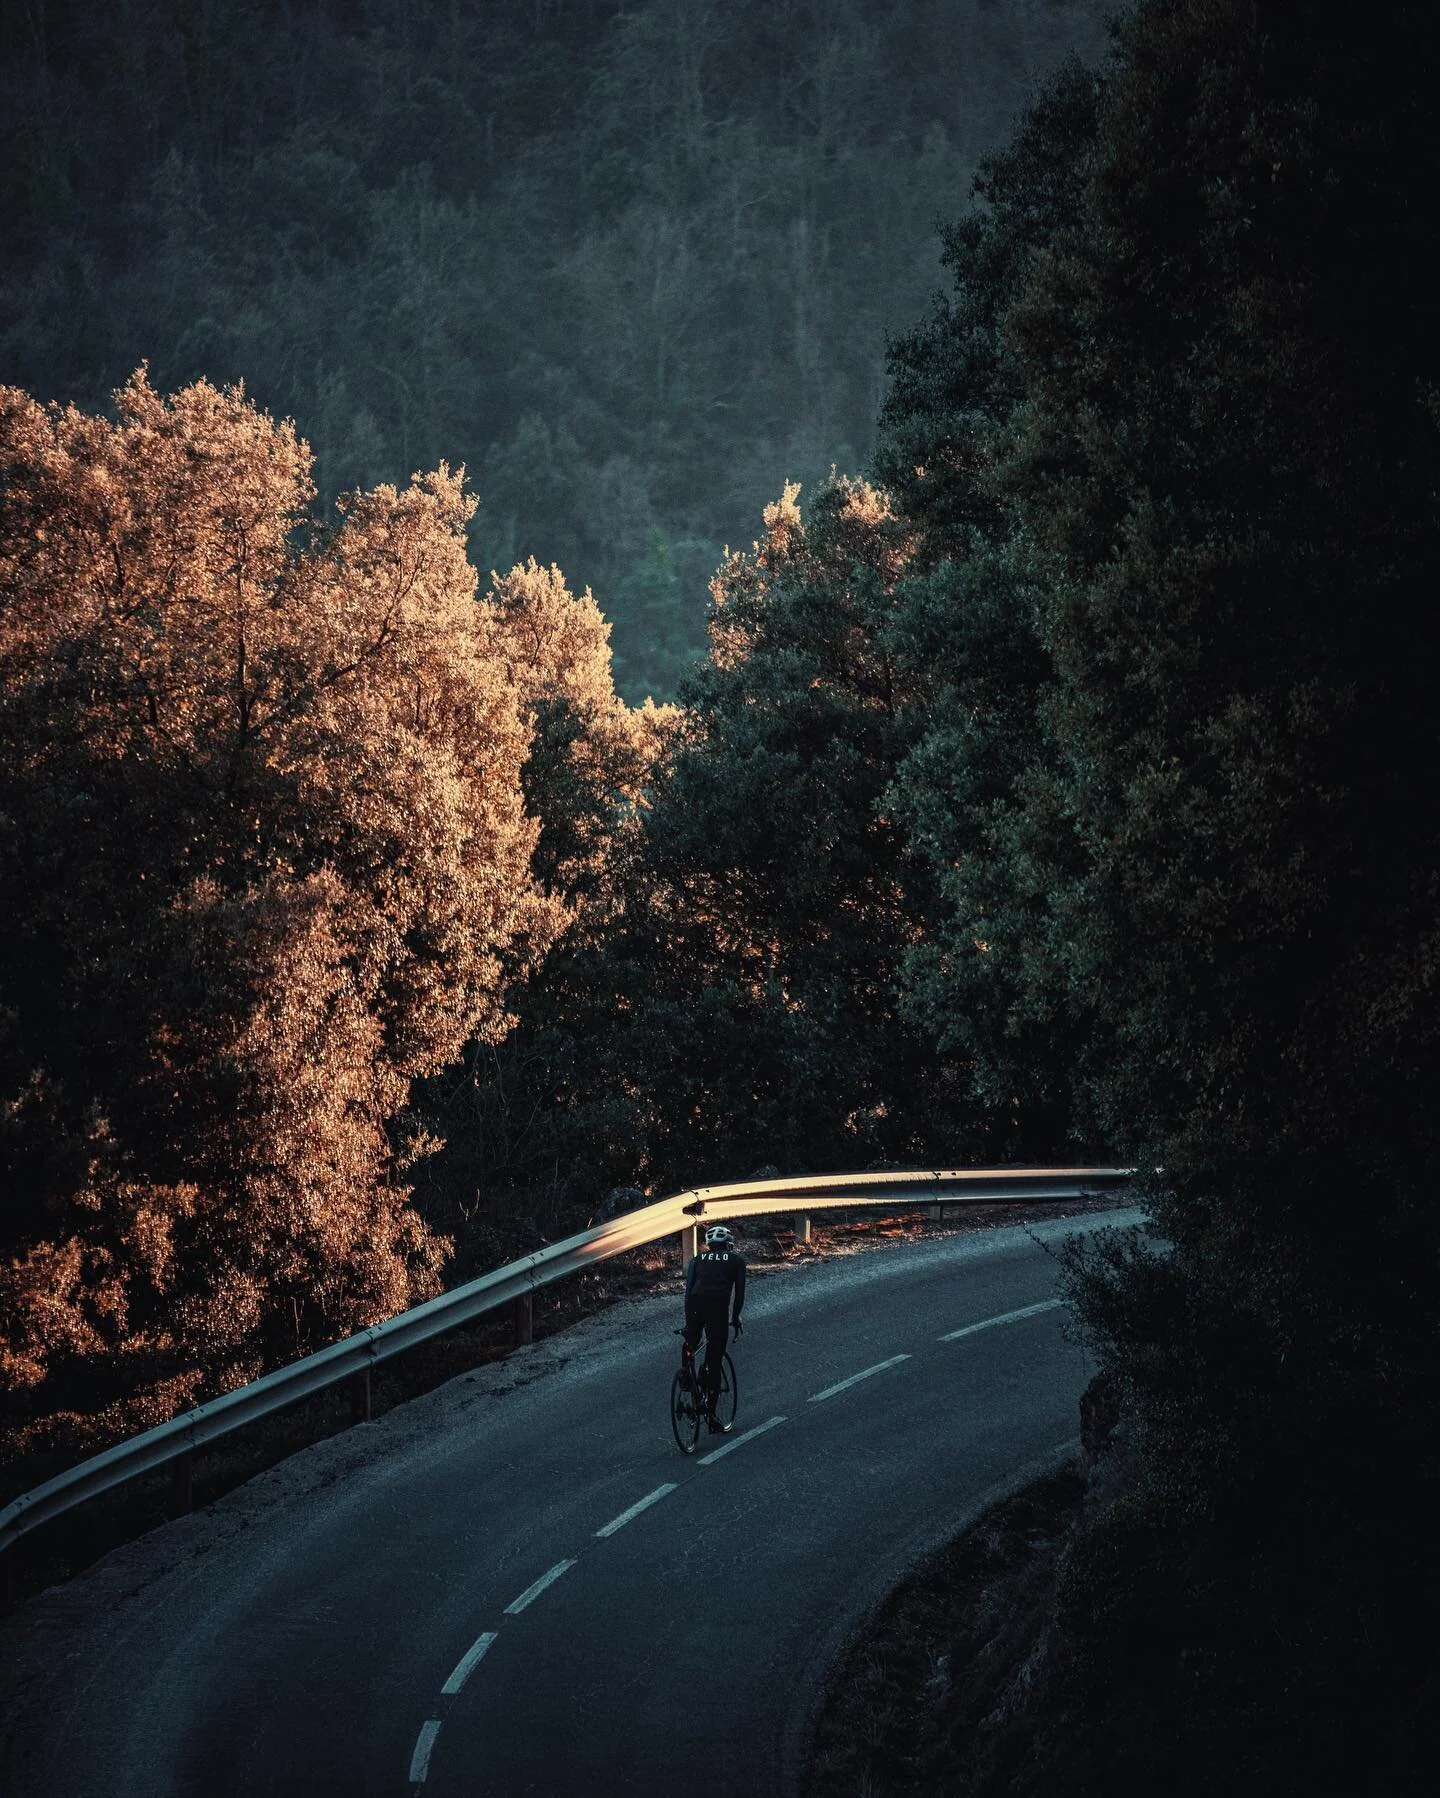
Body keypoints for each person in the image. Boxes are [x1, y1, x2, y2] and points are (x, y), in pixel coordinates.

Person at [684, 1223, 746, 1432]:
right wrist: (735, 1318)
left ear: (709, 1245)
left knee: (690, 1342)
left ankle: (686, 1373)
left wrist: (688, 1321)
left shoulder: (697, 1260)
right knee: (715, 1356)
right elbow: (739, 1294)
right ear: (729, 1244)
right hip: (717, 1307)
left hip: (695, 1304)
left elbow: (689, 1291)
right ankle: (711, 1417)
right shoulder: (736, 1260)